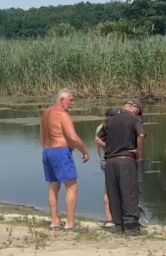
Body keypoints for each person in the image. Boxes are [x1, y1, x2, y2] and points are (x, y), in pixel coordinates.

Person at [39, 88, 90, 231]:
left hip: (47, 151)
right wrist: (84, 151)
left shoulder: (46, 112)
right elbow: (73, 137)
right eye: (71, 100)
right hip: (60, 152)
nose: (72, 103)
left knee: (53, 185)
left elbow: (41, 136)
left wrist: (48, 149)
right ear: (62, 100)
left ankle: (54, 220)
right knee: (72, 186)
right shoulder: (62, 114)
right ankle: (70, 222)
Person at [98, 99, 146, 234]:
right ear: (135, 109)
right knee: (129, 192)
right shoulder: (134, 119)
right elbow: (141, 135)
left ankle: (118, 224)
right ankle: (131, 226)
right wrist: (139, 152)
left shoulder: (109, 120)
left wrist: (111, 148)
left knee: (114, 193)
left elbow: (98, 139)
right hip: (126, 160)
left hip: (110, 162)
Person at [94, 107, 120, 228]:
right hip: (107, 161)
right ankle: (109, 218)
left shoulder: (107, 126)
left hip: (110, 160)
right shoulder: (103, 127)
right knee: (109, 189)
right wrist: (112, 148)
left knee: (115, 188)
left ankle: (116, 216)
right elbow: (98, 141)